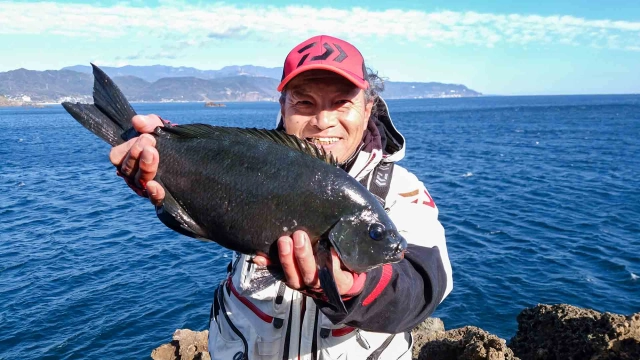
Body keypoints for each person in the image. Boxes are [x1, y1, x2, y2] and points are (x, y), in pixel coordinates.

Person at [110, 34, 453, 359]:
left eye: (342, 102)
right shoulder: (256, 163)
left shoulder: (403, 191)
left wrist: (352, 287)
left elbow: (422, 286)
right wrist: (163, 153)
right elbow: (212, 191)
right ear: (284, 106)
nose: (322, 120)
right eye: (304, 102)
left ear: (368, 108)